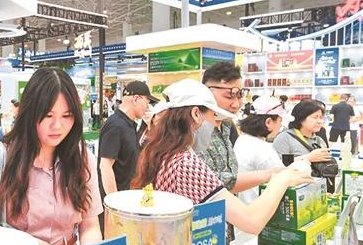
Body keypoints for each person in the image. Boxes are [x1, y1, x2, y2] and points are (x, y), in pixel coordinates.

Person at [132, 79, 312, 234]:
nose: (214, 125)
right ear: (196, 114)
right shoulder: (184, 162)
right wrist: (282, 180)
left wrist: (269, 175)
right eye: (213, 116)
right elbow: (252, 221)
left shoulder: (160, 152)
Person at [0, 68, 103, 245]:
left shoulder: (82, 158)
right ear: (29, 113)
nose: (58, 126)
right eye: (48, 115)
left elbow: (90, 226)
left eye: (67, 116)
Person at [195, 62, 275, 193]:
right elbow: (205, 182)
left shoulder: (228, 125)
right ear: (207, 92)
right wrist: (268, 175)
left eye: (239, 96)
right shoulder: (194, 128)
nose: (236, 104)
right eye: (229, 96)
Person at [98, 80, 158, 198]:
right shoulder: (116, 125)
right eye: (147, 102)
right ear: (136, 99)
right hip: (116, 201)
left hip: (127, 196)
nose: (147, 107)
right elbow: (105, 166)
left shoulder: (128, 125)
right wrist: (114, 201)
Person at [234, 96, 285, 204]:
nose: (281, 125)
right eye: (280, 121)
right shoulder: (263, 149)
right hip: (259, 205)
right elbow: (282, 177)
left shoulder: (242, 139)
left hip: (242, 203)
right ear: (268, 122)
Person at [272, 99, 334, 170]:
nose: (320, 121)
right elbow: (276, 166)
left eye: (321, 117)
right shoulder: (285, 138)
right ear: (301, 118)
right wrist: (308, 158)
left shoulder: (319, 141)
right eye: (315, 117)